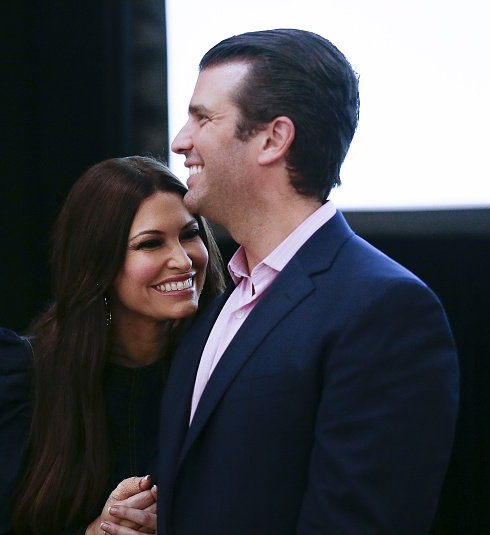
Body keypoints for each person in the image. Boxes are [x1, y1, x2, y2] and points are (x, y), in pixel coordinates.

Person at [157, 29, 459, 534]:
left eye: (203, 118)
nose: (180, 140)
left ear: (274, 138)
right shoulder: (217, 304)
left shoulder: (385, 308)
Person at [0, 156, 225, 535]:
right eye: (151, 243)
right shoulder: (10, 374)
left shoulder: (221, 365)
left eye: (190, 235)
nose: (182, 259)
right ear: (98, 261)